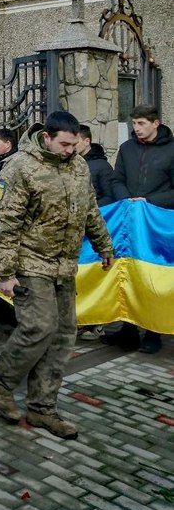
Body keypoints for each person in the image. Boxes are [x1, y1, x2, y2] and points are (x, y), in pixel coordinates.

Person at [0, 111, 114, 440]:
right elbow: (6, 223)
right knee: (38, 327)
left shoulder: (79, 166)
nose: (71, 150)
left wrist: (104, 246)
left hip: (64, 265)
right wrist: (5, 273)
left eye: (74, 145)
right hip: (31, 263)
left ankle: (42, 407)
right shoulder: (20, 167)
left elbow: (90, 210)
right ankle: (1, 380)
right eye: (64, 144)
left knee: (63, 335)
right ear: (46, 137)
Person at [104, 104, 174, 355]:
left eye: (142, 123)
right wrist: (127, 200)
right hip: (129, 222)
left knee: (152, 277)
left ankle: (153, 332)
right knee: (127, 272)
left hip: (157, 225)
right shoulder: (126, 148)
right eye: (134, 123)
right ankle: (128, 328)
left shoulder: (171, 150)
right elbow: (116, 179)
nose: (137, 128)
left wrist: (148, 202)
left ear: (156, 123)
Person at [76, 126, 117, 206]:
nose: (72, 145)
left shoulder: (102, 166)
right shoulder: (71, 163)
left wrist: (91, 209)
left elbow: (110, 196)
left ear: (87, 141)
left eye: (76, 142)